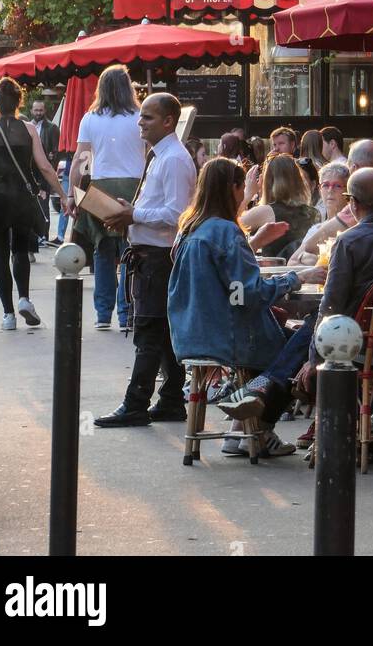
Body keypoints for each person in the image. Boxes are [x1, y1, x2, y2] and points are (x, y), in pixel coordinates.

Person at [220, 168, 373, 430]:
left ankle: (259, 405)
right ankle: (261, 407)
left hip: (360, 346)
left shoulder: (350, 241)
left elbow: (332, 305)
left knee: (312, 331)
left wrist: (313, 359)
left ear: (352, 202)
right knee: (308, 332)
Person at [167, 157, 323, 456]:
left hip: (189, 333)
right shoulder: (227, 230)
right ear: (234, 188)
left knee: (289, 341)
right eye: (242, 189)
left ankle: (241, 432)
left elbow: (217, 281)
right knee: (309, 338)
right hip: (227, 336)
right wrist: (296, 278)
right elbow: (249, 293)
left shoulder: (188, 228)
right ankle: (259, 428)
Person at [94, 92, 196, 427]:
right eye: (142, 116)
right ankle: (169, 400)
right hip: (149, 255)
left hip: (158, 257)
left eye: (148, 117)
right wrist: (129, 211)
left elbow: (177, 213)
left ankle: (136, 403)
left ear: (169, 121)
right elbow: (159, 206)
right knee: (162, 331)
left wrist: (133, 214)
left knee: (149, 330)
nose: (140, 122)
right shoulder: (160, 156)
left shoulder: (174, 159)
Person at [0, 78, 73, 328]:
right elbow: (45, 167)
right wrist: (63, 196)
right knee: (21, 250)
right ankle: (24, 298)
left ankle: (8, 315)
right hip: (22, 197)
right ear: (18, 102)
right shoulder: (29, 129)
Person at [70, 65, 145, 332]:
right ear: (128, 87)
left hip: (100, 189)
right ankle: (126, 314)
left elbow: (81, 160)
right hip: (135, 188)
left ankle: (103, 314)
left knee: (102, 251)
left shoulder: (90, 119)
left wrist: (72, 194)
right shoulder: (140, 116)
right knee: (130, 252)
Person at [286, 138, 373, 259]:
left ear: (354, 168)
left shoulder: (363, 198)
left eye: (337, 186)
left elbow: (309, 246)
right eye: (325, 185)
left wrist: (303, 258)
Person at [241, 154, 319, 258]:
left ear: (267, 181)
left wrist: (248, 194)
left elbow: (229, 227)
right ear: (298, 179)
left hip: (275, 271)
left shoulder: (265, 212)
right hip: (304, 269)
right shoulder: (314, 213)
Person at [29, 97, 60, 248]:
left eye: (41, 110)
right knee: (31, 206)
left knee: (43, 205)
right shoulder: (27, 127)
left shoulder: (52, 128)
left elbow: (56, 151)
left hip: (44, 173)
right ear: (31, 111)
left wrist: (51, 163)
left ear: (45, 111)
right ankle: (34, 236)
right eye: (36, 110)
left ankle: (43, 236)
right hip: (29, 172)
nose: (38, 113)